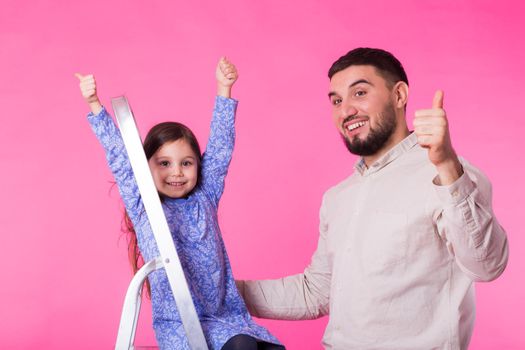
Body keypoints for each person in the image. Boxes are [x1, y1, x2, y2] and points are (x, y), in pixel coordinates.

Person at [236, 48, 509, 350]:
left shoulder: (450, 174)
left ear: (400, 95)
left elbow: (487, 265)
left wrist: (446, 165)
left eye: (360, 93)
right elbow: (315, 292)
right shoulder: (338, 198)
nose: (346, 110)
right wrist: (216, 290)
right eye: (337, 101)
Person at [76, 57, 284, 350]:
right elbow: (120, 157)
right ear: (147, 168)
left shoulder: (205, 196)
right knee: (243, 347)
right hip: (181, 325)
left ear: (198, 167)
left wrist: (224, 89)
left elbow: (221, 148)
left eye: (186, 163)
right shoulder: (144, 205)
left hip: (225, 317)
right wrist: (95, 104)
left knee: (269, 348)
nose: (176, 172)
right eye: (164, 163)